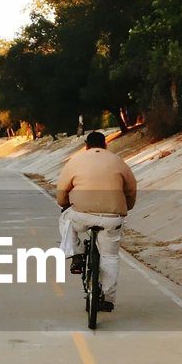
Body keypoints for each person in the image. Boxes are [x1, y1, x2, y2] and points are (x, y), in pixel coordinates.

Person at [56, 131, 137, 312]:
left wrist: (64, 203)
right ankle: (108, 299)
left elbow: (62, 190)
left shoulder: (76, 161)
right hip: (111, 217)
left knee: (65, 219)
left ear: (86, 145)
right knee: (110, 257)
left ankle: (76, 254)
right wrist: (126, 207)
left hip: (82, 215)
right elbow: (131, 189)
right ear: (105, 145)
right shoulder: (117, 161)